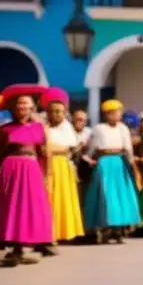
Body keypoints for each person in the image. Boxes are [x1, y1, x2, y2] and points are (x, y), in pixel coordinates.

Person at [0, 86, 54, 265]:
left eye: (25, 104)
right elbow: (1, 151)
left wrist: (46, 175)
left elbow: (44, 153)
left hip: (31, 170)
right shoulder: (5, 129)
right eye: (18, 104)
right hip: (10, 169)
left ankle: (20, 249)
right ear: (13, 108)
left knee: (27, 208)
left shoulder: (39, 128)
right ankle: (4, 247)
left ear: (32, 107)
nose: (22, 107)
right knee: (9, 208)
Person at [84, 99, 141, 243]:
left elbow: (128, 148)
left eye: (119, 112)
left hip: (119, 163)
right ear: (107, 114)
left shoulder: (123, 128)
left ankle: (119, 230)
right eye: (114, 112)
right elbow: (92, 148)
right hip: (104, 163)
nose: (118, 115)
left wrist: (131, 162)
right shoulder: (99, 128)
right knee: (106, 196)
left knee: (121, 195)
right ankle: (104, 229)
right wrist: (89, 159)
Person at [43, 88, 85, 245]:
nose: (57, 114)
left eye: (60, 111)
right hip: (46, 165)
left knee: (62, 199)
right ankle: (48, 232)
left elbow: (70, 147)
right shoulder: (44, 127)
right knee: (48, 199)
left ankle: (61, 231)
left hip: (62, 166)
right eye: (53, 111)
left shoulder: (67, 127)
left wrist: (50, 148)